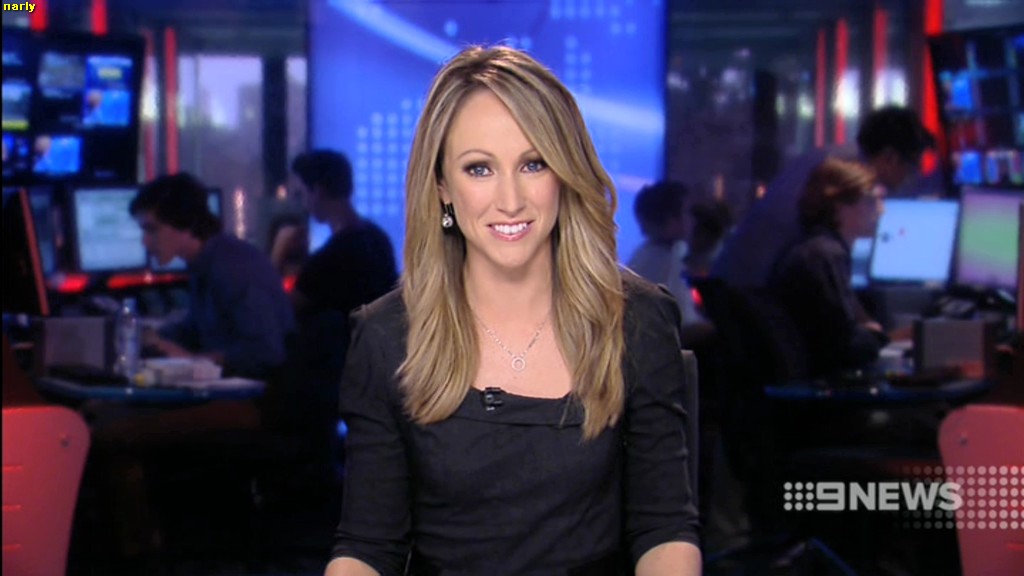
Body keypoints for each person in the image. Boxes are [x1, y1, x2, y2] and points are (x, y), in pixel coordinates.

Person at [326, 46, 701, 576]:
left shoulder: (635, 321)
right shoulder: (387, 337)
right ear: (442, 188)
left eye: (533, 163)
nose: (510, 199)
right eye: (479, 169)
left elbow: (664, 530)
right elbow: (368, 546)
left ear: (564, 173)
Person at [715, 105, 941, 288]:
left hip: (736, 289)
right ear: (889, 157)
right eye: (912, 167)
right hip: (755, 297)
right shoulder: (845, 179)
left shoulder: (831, 157)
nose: (909, 179)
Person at [132, 172, 295, 379]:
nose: (145, 242)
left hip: (258, 393)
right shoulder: (204, 262)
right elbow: (197, 329)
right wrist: (153, 338)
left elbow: (266, 353)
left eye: (152, 230)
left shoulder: (234, 267)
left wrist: (193, 361)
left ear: (185, 222)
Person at [767, 157, 889, 378]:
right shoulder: (825, 256)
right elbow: (843, 347)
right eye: (872, 201)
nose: (882, 211)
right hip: (820, 386)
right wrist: (875, 337)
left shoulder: (813, 249)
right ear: (839, 205)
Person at [290, 149, 398, 318]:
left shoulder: (329, 259)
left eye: (302, 194)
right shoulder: (379, 240)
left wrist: (278, 254)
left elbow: (282, 312)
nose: (304, 204)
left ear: (318, 191)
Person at [626, 180, 704, 326]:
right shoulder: (667, 261)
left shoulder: (648, 254)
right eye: (687, 212)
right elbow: (683, 324)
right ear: (670, 219)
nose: (693, 220)